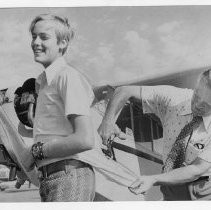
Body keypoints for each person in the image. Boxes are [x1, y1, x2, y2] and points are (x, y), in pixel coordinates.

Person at [98, 69, 211, 200]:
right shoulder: (175, 98)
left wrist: (154, 179)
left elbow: (196, 169)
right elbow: (124, 90)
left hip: (203, 187)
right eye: (197, 95)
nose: (197, 104)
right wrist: (107, 122)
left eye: (206, 105)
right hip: (170, 180)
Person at [23, 14, 96, 202]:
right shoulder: (44, 82)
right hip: (52, 177)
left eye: (44, 37)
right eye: (33, 36)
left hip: (68, 176)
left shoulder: (67, 77)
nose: (36, 42)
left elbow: (85, 139)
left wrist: (36, 151)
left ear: (62, 43)